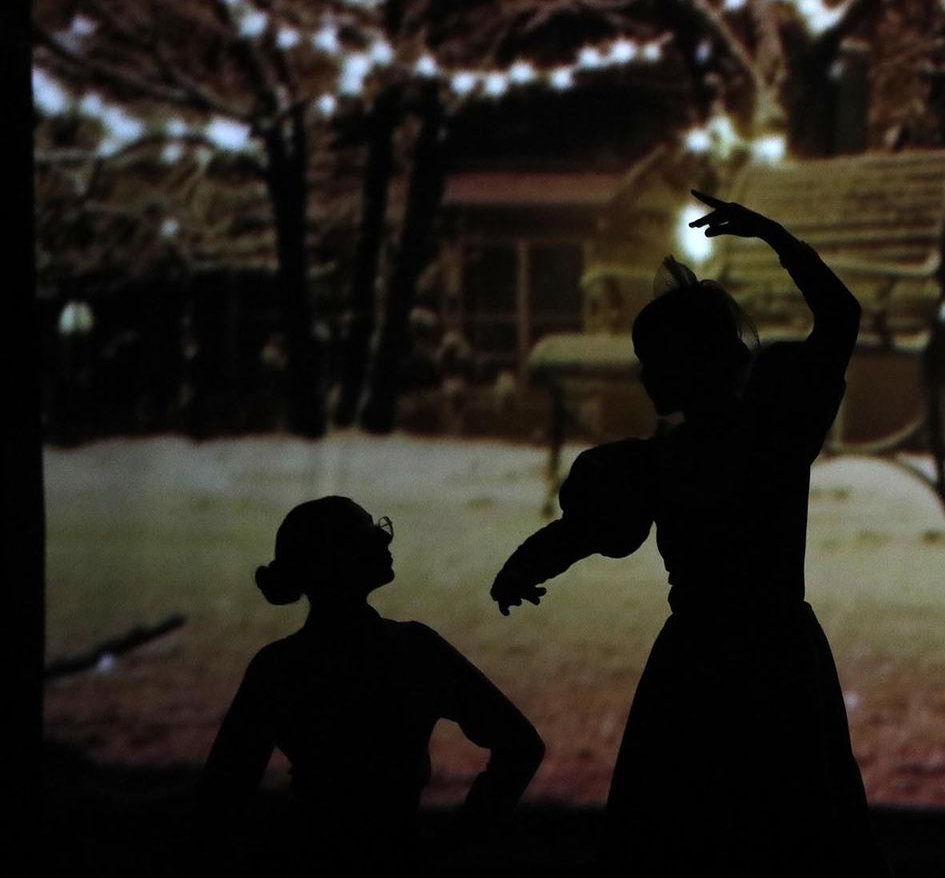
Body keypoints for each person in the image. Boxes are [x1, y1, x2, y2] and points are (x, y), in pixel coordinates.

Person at [492, 191, 890, 876]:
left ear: (692, 363)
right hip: (775, 653)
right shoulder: (774, 434)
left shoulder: (672, 457)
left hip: (703, 662)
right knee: (784, 818)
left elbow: (589, 530)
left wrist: (531, 561)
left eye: (657, 360)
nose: (646, 374)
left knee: (688, 824)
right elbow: (840, 317)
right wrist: (775, 237)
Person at [200, 496, 544, 874]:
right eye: (366, 535)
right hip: (398, 854)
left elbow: (224, 790)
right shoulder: (415, 649)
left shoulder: (277, 665)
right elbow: (521, 746)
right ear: (331, 560)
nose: (384, 541)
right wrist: (459, 836)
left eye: (379, 531)